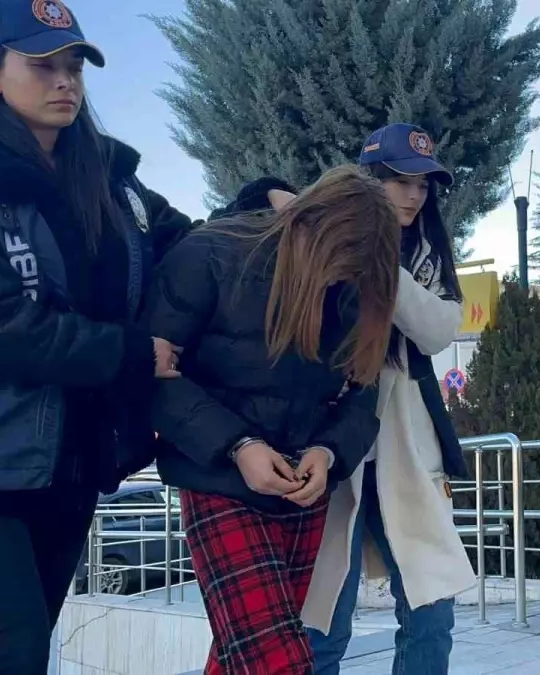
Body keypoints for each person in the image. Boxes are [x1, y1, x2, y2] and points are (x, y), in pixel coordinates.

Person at [0, 1, 196, 672]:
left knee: (30, 647)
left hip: (71, 457)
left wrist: (262, 204)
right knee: (14, 649)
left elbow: (194, 251)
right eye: (43, 65)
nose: (65, 81)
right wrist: (131, 354)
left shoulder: (114, 187)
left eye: (74, 66)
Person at [144, 165, 402, 675]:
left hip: (302, 491)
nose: (338, 281)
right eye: (335, 265)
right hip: (217, 480)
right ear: (307, 228)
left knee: (242, 656)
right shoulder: (209, 253)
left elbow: (361, 394)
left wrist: (329, 453)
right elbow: (151, 376)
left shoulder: (355, 282)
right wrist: (238, 445)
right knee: (277, 661)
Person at [239, 123, 476, 674]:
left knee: (432, 612)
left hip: (407, 455)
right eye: (401, 181)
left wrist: (377, 261)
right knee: (323, 622)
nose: (414, 195)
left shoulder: (425, 257)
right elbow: (250, 217)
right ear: (370, 179)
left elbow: (438, 330)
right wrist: (288, 201)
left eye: (423, 185)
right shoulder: (321, 245)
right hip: (327, 449)